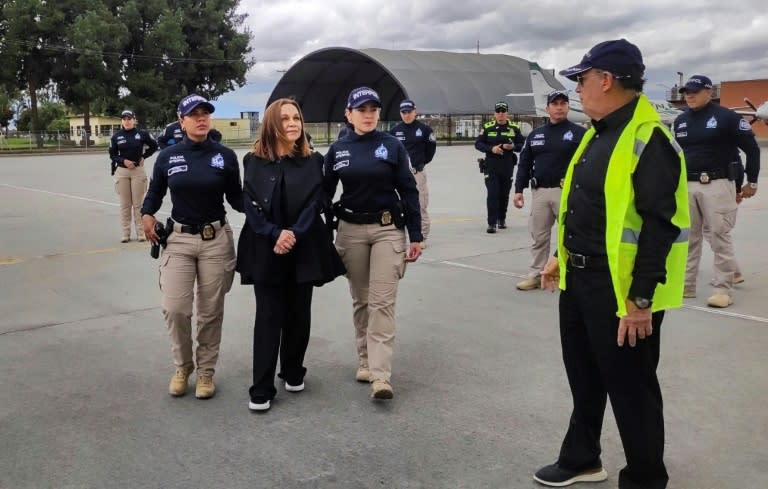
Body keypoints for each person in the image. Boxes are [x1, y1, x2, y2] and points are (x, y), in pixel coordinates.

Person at [535, 39, 689, 489]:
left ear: (606, 80)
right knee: (584, 378)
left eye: (581, 80)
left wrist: (640, 300)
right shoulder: (597, 134)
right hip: (579, 280)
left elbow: (662, 227)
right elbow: (587, 209)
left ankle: (645, 477)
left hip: (620, 293)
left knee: (632, 390)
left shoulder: (649, 139)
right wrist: (559, 259)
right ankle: (582, 458)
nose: (578, 89)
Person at [236, 98, 345, 412]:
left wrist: (294, 232)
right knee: (269, 316)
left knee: (299, 313)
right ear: (272, 124)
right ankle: (262, 387)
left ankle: (293, 370)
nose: (293, 123)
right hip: (265, 246)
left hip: (304, 244)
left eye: (296, 117)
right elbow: (251, 204)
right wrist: (275, 233)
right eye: (285, 119)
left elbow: (316, 202)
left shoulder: (315, 161)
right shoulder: (252, 161)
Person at [140, 94, 244, 399]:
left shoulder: (224, 156)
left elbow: (236, 198)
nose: (201, 118)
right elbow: (155, 192)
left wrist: (263, 213)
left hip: (215, 240)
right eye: (194, 114)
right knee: (175, 309)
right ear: (181, 120)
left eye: (205, 113)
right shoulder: (168, 157)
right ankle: (183, 366)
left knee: (210, 312)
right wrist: (146, 215)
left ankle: (206, 372)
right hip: (179, 240)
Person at [323, 86, 422, 400]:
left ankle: (381, 376)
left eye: (373, 110)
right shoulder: (337, 151)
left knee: (381, 302)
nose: (368, 115)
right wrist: (322, 233)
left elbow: (408, 191)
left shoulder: (392, 146)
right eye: (361, 110)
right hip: (350, 231)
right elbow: (324, 195)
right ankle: (365, 359)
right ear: (349, 114)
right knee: (362, 300)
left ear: (379, 114)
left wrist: (416, 235)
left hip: (386, 230)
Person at [673, 75, 760, 308]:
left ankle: (723, 288)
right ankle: (687, 285)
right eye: (686, 92)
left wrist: (750, 182)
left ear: (709, 92)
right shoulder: (680, 121)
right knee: (690, 237)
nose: (689, 95)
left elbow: (752, 149)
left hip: (718, 184)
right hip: (688, 185)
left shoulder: (727, 118)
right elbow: (677, 156)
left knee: (720, 237)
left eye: (694, 91)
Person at [513, 90, 586, 290]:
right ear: (547, 109)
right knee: (539, 236)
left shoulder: (579, 134)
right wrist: (518, 189)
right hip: (540, 192)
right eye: (555, 104)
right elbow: (524, 163)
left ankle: (566, 274)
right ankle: (536, 275)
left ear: (568, 107)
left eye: (563, 103)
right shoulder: (536, 135)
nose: (560, 107)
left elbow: (589, 163)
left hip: (567, 193)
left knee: (570, 235)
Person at [389, 99, 437, 245]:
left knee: (420, 205)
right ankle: (399, 233)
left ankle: (422, 236)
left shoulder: (424, 130)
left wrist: (420, 164)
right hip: (399, 175)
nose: (407, 115)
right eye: (403, 112)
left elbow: (431, 151)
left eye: (409, 112)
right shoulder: (394, 131)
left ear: (415, 112)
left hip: (417, 174)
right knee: (399, 204)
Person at [475, 100, 524, 233]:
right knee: (493, 194)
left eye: (503, 111)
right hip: (491, 165)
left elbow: (522, 145)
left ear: (507, 113)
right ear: (494, 114)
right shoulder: (488, 127)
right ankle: (491, 223)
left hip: (507, 165)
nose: (501, 114)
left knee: (504, 194)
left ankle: (501, 219)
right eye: (498, 111)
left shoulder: (514, 128)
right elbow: (478, 144)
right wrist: (492, 149)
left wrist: (513, 146)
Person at [108, 110, 158, 242]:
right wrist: (123, 161)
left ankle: (141, 233)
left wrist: (144, 156)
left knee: (138, 205)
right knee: (125, 204)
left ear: (134, 120)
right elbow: (112, 154)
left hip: (137, 171)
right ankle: (125, 233)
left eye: (129, 118)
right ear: (122, 121)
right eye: (124, 119)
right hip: (122, 172)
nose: (126, 121)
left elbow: (154, 145)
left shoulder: (142, 134)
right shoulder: (116, 136)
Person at [158, 120, 222, 149]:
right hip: (179, 159)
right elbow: (160, 141)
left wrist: (209, 148)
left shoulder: (199, 125)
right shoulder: (172, 127)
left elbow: (217, 136)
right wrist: (169, 151)